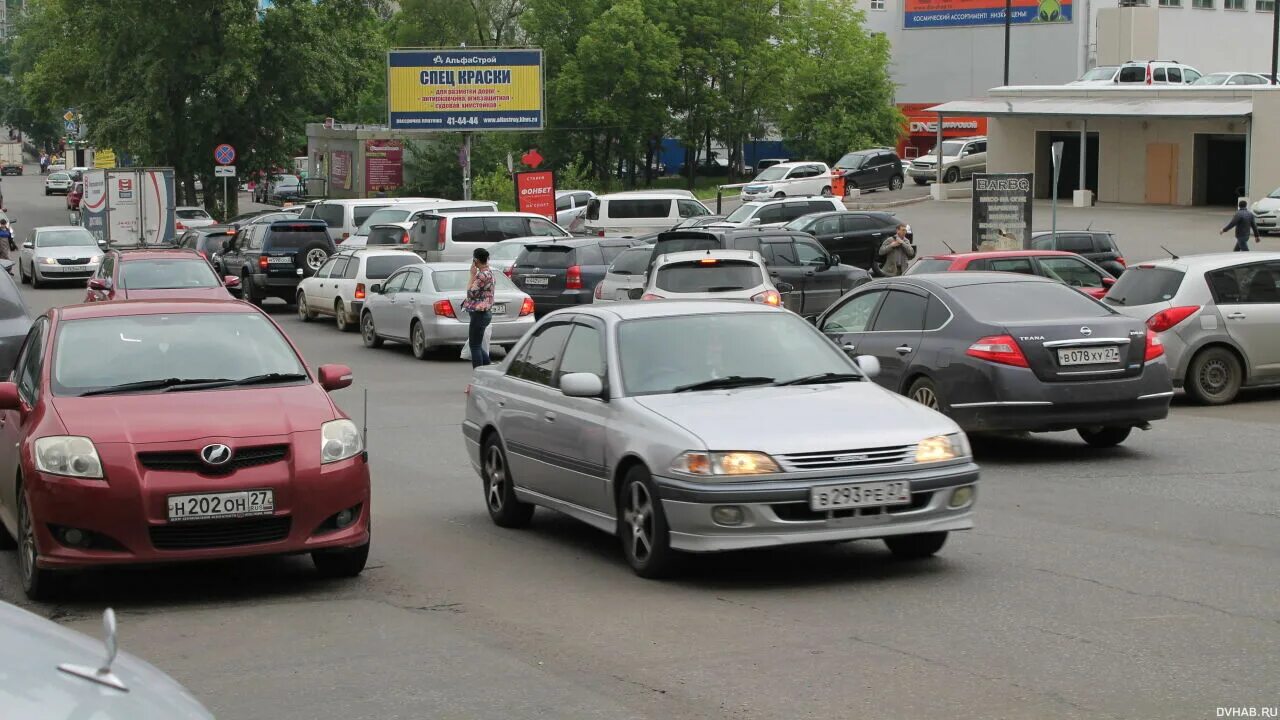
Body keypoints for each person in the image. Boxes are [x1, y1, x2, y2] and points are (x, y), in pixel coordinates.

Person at [462, 247, 495, 368]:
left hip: (479, 314)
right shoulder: (490, 273)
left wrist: (472, 275)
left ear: (476, 260)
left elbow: (470, 293)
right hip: (486, 313)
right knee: (477, 345)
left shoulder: (481, 275)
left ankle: (478, 375)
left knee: (474, 346)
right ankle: (488, 369)